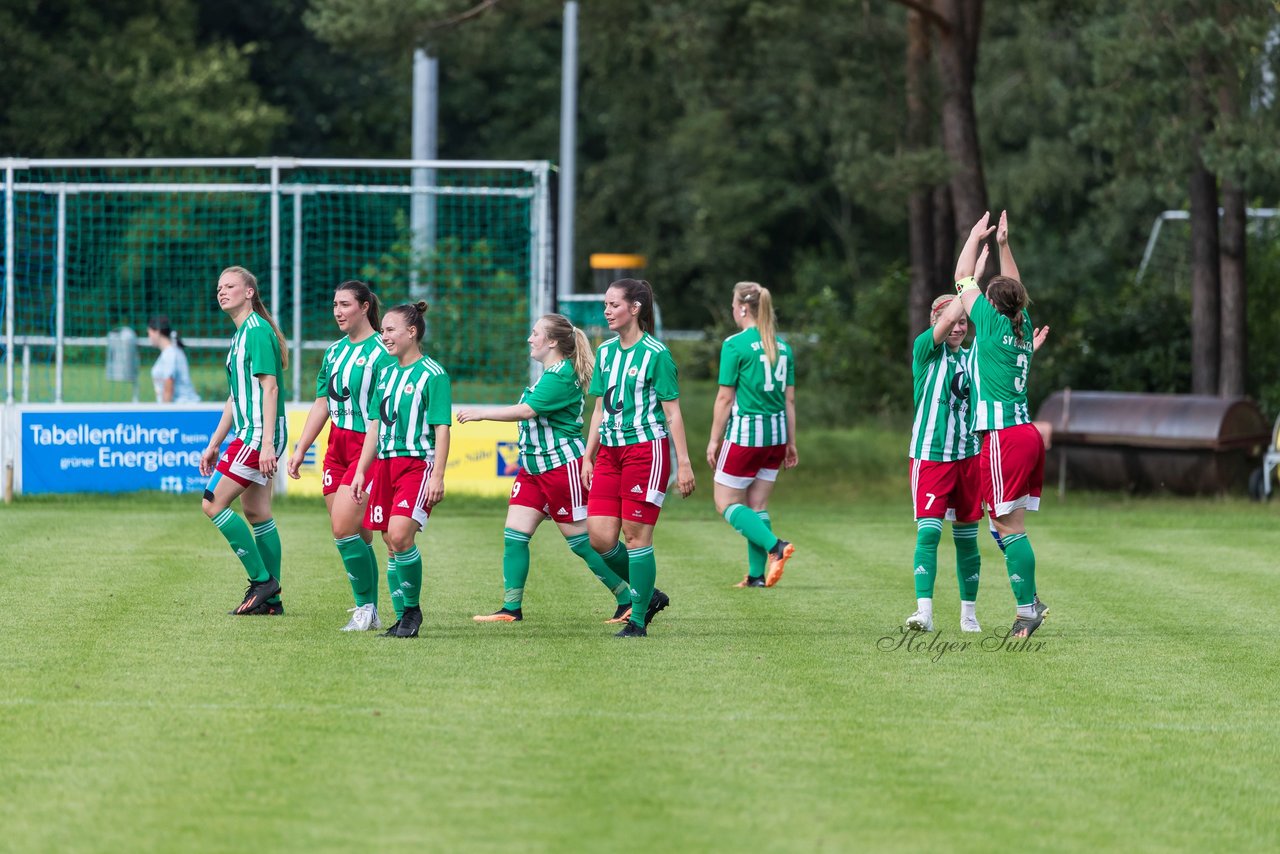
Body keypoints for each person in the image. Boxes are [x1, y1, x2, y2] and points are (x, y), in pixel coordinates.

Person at [457, 314, 633, 623]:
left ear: (552, 341)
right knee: (514, 535)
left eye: (535, 333)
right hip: (533, 470)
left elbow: (527, 410)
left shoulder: (561, 375)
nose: (530, 338)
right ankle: (511, 609)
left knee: (583, 543)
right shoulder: (550, 373)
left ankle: (630, 596)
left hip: (561, 468)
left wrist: (481, 413)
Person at [581, 278, 696, 638]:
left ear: (635, 308)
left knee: (635, 537)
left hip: (646, 452)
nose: (607, 311)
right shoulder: (606, 352)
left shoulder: (657, 354)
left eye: (614, 305)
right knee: (599, 537)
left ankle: (638, 619)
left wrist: (685, 463)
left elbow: (673, 413)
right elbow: (599, 408)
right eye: (605, 305)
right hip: (609, 455)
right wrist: (589, 455)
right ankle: (650, 593)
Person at [956, 210, 1050, 638]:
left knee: (1008, 527)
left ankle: (1027, 609)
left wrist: (976, 238)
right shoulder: (1020, 323)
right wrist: (1007, 247)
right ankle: (1030, 600)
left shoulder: (993, 325)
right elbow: (1017, 290)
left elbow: (961, 276)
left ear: (992, 306)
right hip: (1026, 434)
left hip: (1003, 438)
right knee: (1004, 524)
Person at [286, 280, 397, 632]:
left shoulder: (383, 351)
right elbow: (323, 402)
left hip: (369, 445)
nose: (338, 311)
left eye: (345, 304)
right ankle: (372, 610)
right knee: (358, 536)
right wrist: (301, 446)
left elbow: (384, 411)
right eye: (335, 304)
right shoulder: (333, 352)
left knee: (342, 529)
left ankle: (365, 609)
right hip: (337, 446)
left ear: (365, 307)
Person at [351, 301, 452, 639]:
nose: (385, 337)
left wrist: (437, 473)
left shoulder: (433, 374)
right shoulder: (387, 372)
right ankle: (401, 619)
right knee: (388, 541)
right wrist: (363, 471)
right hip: (386, 465)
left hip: (416, 465)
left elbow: (441, 428)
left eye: (390, 330)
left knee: (399, 536)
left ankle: (412, 611)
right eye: (383, 331)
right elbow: (375, 427)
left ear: (412, 331)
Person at [198, 266, 288, 616]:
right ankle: (273, 601)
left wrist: (266, 444)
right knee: (256, 511)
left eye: (230, 286)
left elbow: (270, 387)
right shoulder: (239, 336)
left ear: (249, 292)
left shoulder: (256, 331)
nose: (222, 291)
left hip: (258, 436)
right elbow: (236, 398)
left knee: (212, 503)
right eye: (219, 287)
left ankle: (262, 580)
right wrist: (214, 442)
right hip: (249, 433)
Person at [706, 281, 798, 589]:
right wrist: (792, 442)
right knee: (756, 506)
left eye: (734, 305)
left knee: (725, 503)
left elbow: (724, 399)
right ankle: (757, 576)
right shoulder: (783, 346)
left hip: (747, 435)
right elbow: (790, 401)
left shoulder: (735, 344)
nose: (733, 310)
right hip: (777, 436)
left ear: (743, 308)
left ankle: (776, 546)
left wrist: (714, 440)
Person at [904, 290, 984, 633]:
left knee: (967, 539)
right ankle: (924, 612)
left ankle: (968, 615)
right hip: (930, 456)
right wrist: (970, 282)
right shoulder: (925, 352)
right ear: (934, 322)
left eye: (964, 322)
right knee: (929, 534)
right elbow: (949, 317)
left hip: (968, 457)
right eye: (951, 320)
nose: (957, 327)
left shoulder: (973, 358)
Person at [147, 315, 201, 403]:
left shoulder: (170, 354)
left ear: (157, 332)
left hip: (182, 408)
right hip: (184, 406)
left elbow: (169, 386)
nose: (149, 338)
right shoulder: (172, 351)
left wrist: (165, 412)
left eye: (149, 334)